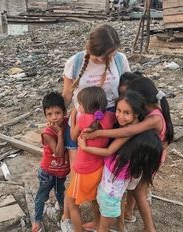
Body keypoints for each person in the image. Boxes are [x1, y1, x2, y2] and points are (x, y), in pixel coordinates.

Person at [82, 76, 174, 232]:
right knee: (135, 190)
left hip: (148, 159)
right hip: (148, 156)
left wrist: (98, 133)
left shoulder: (154, 118)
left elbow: (129, 131)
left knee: (139, 192)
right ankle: (129, 215)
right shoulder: (154, 111)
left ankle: (149, 228)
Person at [61, 24, 130, 230]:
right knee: (79, 171)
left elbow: (127, 91)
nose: (104, 60)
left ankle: (104, 219)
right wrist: (57, 119)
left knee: (106, 174)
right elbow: (66, 96)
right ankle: (69, 217)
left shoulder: (120, 60)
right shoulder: (74, 63)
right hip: (81, 123)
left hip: (111, 122)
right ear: (90, 49)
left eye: (109, 54)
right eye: (100, 56)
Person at [64, 86, 115, 232]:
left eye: (79, 104)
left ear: (85, 105)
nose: (78, 106)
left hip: (84, 169)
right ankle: (97, 223)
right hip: (99, 166)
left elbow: (73, 137)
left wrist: (73, 116)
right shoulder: (109, 117)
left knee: (72, 204)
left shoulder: (83, 118)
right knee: (94, 198)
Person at [32, 92, 70, 232]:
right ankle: (38, 220)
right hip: (48, 172)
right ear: (45, 115)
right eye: (49, 114)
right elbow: (59, 153)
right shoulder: (48, 133)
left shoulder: (67, 122)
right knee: (41, 196)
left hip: (61, 171)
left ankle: (64, 214)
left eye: (57, 113)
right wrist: (59, 134)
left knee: (61, 192)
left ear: (64, 112)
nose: (54, 117)